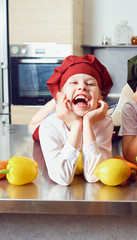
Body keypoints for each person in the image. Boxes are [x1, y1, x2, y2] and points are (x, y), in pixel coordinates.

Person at [39, 54, 113, 186]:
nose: (82, 87)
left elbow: (94, 175)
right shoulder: (48, 126)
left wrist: (88, 122)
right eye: (73, 82)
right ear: (60, 97)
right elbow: (63, 178)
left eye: (90, 83)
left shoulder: (105, 122)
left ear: (100, 99)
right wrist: (76, 124)